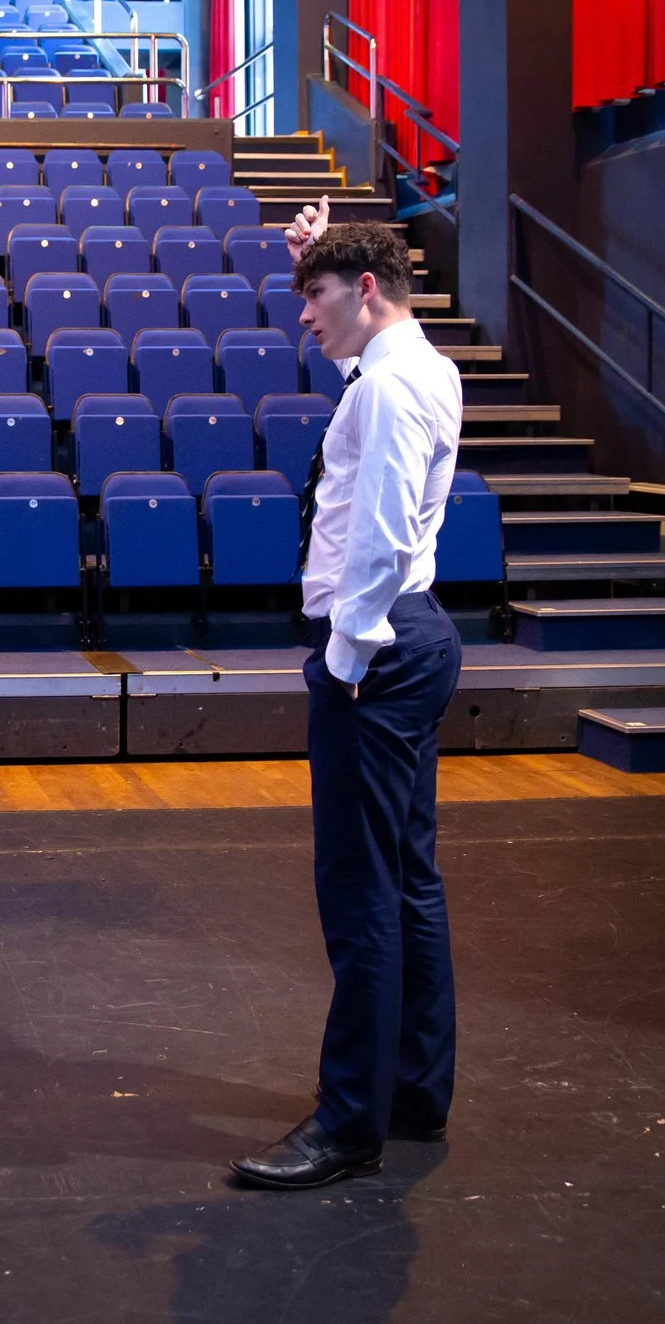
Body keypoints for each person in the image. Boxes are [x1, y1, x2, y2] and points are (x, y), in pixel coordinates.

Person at [231, 201, 465, 1189]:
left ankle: (347, 1121)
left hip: (375, 646)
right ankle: (411, 1090)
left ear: (365, 288)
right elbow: (372, 419)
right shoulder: (420, 368)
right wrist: (313, 257)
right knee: (407, 877)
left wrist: (345, 653)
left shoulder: (387, 391)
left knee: (359, 890)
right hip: (417, 635)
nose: (304, 317)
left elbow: (375, 536)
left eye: (315, 295)